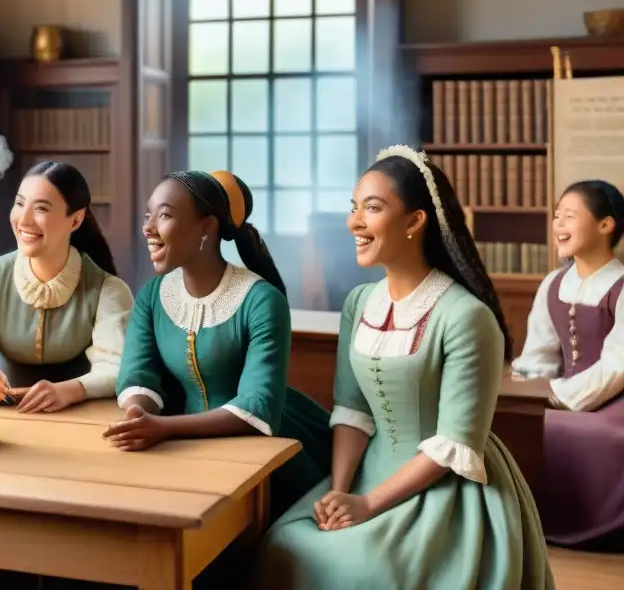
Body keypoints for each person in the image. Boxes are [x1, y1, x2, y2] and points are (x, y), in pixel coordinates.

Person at [252, 146, 553, 589]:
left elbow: (454, 442)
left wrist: (369, 505)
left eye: (372, 208)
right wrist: (340, 490)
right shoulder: (359, 302)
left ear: (414, 221)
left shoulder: (467, 317)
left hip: (444, 484)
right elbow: (352, 410)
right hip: (367, 471)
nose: (354, 222)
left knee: (362, 569)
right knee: (285, 543)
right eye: (353, 208)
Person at [105, 170, 331, 517]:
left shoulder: (261, 300)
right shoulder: (152, 294)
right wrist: (138, 413)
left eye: (164, 215)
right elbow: (137, 372)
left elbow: (257, 405)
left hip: (264, 449)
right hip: (179, 448)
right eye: (148, 214)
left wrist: (163, 428)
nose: (148, 228)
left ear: (206, 228)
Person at [0, 161, 132, 412]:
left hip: (84, 422)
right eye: (19, 203)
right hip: (2, 420)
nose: (23, 219)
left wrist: (71, 390)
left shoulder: (109, 291)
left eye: (41, 208)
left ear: (76, 220)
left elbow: (118, 367)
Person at [512, 179, 624, 551]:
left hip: (613, 397)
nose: (558, 224)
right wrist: (527, 390)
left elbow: (616, 366)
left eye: (570, 216)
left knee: (593, 435)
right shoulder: (552, 283)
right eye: (557, 216)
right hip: (561, 390)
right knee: (518, 422)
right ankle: (525, 523)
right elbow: (539, 353)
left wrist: (556, 396)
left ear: (606, 224)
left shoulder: (622, 287)